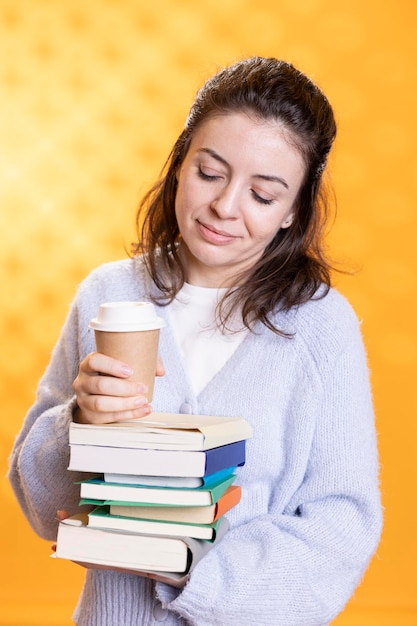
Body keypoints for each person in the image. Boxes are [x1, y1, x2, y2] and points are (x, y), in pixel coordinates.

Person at [9, 57, 382, 626]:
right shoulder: (108, 294)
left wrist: (197, 567)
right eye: (210, 173)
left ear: (292, 212)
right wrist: (79, 423)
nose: (225, 207)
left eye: (263, 195)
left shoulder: (320, 327)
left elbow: (343, 526)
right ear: (181, 163)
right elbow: (40, 506)